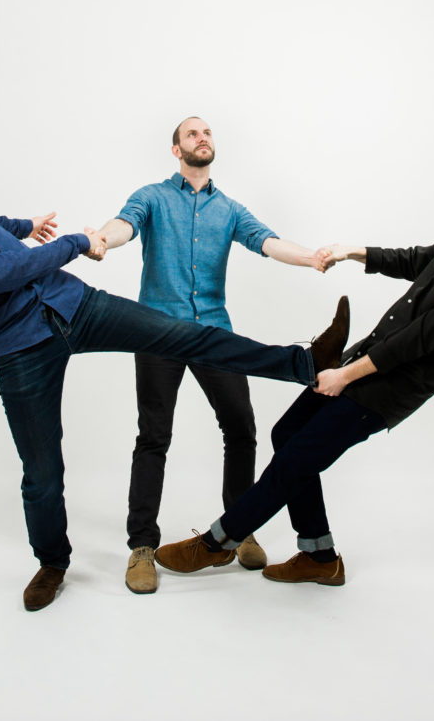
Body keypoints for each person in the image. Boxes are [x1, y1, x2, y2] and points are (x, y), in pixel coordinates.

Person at [0, 144, 342, 612]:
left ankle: (302, 363)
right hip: (20, 347)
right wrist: (77, 241)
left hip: (74, 304)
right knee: (41, 471)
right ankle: (53, 563)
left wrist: (23, 225)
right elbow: (11, 272)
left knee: (186, 335)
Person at [155, 164, 434, 588]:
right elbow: (418, 260)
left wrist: (345, 376)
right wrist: (353, 252)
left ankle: (218, 542)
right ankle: (319, 556)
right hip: (364, 361)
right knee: (286, 435)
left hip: (384, 389)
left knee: (296, 457)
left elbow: (414, 343)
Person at [96, 115, 332, 594]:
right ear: (176, 150)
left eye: (206, 133)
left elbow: (267, 241)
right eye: (191, 133)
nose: (201, 138)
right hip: (157, 331)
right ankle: (141, 547)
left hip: (214, 333)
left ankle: (237, 531)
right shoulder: (152, 197)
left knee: (241, 429)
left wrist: (310, 257)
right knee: (154, 436)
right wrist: (102, 238)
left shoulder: (228, 209)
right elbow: (125, 224)